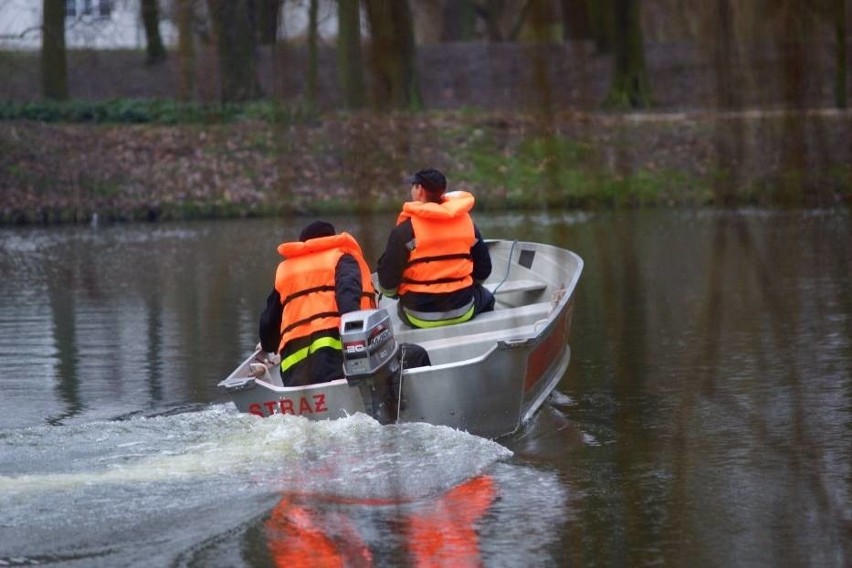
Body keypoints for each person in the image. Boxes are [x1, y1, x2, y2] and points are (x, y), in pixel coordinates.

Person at [258, 220, 376, 386]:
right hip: (334, 357)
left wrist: (268, 346)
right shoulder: (342, 259)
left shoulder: (286, 271)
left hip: (294, 367)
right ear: (331, 238)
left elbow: (268, 327)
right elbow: (349, 301)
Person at [377, 168, 495, 328]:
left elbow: (388, 285)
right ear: (442, 191)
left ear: (419, 190)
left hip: (418, 316)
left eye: (413, 185)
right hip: (463, 309)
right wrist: (468, 283)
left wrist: (396, 293)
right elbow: (484, 270)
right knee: (488, 297)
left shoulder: (404, 231)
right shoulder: (467, 224)